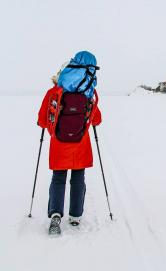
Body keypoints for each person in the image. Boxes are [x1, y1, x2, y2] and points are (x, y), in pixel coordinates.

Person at [37, 51, 102, 235]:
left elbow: (43, 120)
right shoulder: (88, 93)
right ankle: (75, 216)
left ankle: (56, 215)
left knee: (58, 179)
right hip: (80, 144)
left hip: (59, 144)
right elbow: (97, 119)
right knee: (78, 178)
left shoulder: (55, 92)